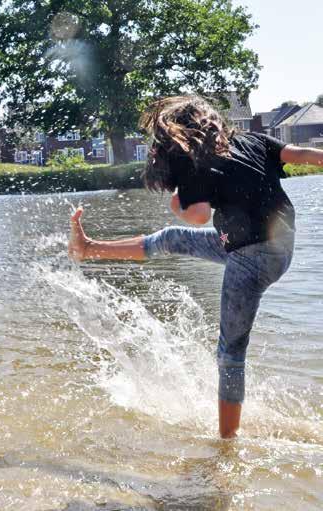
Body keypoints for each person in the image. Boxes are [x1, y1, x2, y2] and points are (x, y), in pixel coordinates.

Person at [68, 95, 323, 439]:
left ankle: (227, 442)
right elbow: (300, 155)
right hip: (279, 245)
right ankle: (89, 248)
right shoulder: (253, 141)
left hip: (251, 258)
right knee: (171, 239)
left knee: (230, 352)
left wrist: (178, 205)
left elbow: (199, 215)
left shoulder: (198, 164)